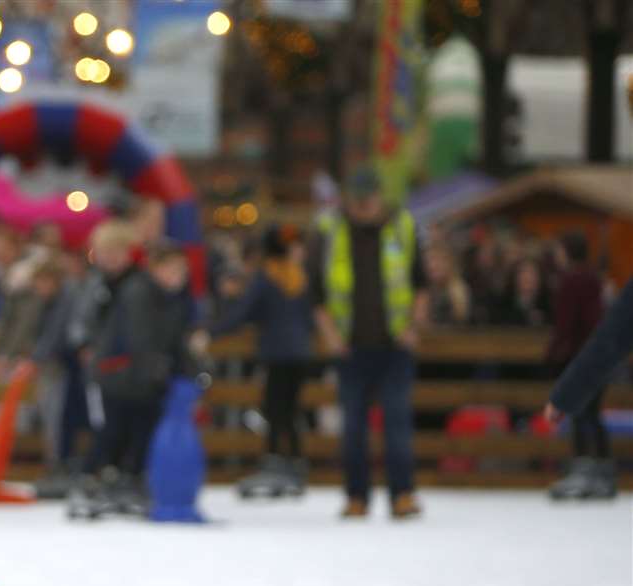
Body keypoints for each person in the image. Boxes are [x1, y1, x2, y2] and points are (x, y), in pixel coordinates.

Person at [310, 166, 429, 520]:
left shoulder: (403, 226)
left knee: (397, 425)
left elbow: (420, 283)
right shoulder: (329, 229)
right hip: (350, 348)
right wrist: (330, 334)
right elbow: (315, 291)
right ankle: (356, 496)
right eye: (356, 200)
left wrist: (412, 329)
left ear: (379, 195)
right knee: (353, 428)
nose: (363, 206)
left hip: (394, 346)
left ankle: (402, 494)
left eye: (368, 199)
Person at [77, 240, 198, 518]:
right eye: (172, 270)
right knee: (115, 431)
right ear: (156, 268)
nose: (177, 277)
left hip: (143, 379)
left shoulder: (172, 299)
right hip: (121, 374)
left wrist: (189, 370)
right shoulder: (139, 292)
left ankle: (128, 479)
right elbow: (140, 338)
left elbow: (176, 341)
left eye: (182, 271)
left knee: (140, 431)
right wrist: (157, 370)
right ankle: (94, 480)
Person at [32, 220, 137, 498]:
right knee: (94, 418)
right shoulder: (93, 285)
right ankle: (93, 469)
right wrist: (84, 344)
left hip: (129, 368)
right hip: (98, 368)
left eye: (115, 251)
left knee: (122, 419)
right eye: (105, 251)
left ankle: (120, 470)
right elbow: (79, 322)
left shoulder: (135, 285)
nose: (109, 257)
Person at [211, 224, 316, 498]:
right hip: (300, 352)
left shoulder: (267, 276)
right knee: (289, 409)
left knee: (273, 407)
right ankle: (293, 461)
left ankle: (275, 461)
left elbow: (244, 312)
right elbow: (308, 315)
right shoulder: (299, 276)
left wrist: (212, 330)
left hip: (278, 352)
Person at [543, 235, 611, 499]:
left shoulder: (571, 280)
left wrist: (552, 355)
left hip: (577, 356)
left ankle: (583, 471)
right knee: (593, 413)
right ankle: (603, 471)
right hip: (599, 354)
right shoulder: (594, 279)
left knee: (580, 412)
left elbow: (566, 323)